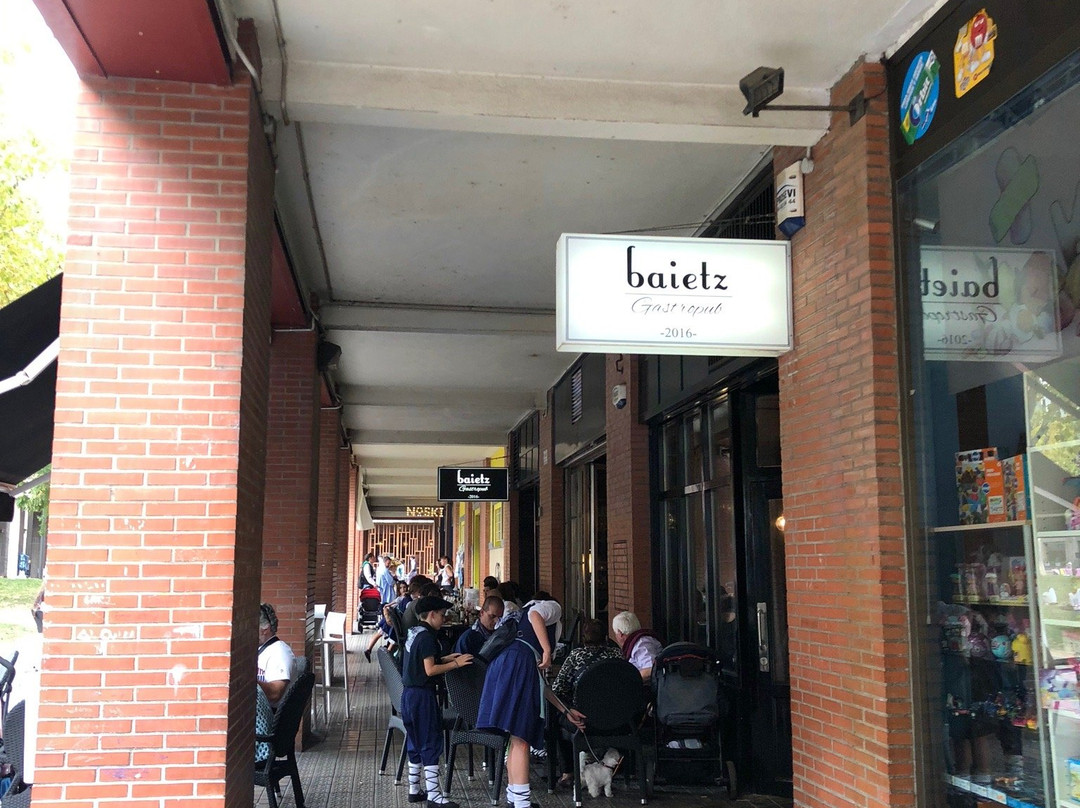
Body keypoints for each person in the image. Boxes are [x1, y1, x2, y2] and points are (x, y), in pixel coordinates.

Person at [476, 597, 584, 808]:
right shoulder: (553, 607)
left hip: (504, 667)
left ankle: (515, 797)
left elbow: (542, 686)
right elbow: (536, 614)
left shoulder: (520, 623)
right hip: (518, 666)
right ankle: (522, 803)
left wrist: (566, 711)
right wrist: (547, 650)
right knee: (522, 737)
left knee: (514, 738)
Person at [401, 595, 473, 808]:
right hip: (422, 696)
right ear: (431, 615)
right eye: (442, 615)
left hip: (408, 695)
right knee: (430, 741)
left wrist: (447, 658)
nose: (444, 619)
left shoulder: (415, 632)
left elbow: (423, 661)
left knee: (415, 741)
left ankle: (414, 789)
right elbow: (430, 669)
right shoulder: (427, 638)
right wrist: (456, 664)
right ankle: (434, 796)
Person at [551, 618, 622, 786]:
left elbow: (557, 690)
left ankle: (567, 772)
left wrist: (568, 708)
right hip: (617, 721)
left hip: (584, 721)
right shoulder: (618, 655)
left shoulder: (576, 656)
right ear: (606, 638)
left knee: (555, 715)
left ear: (583, 638)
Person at [257, 603, 295, 708]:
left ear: (265, 629)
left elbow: (275, 694)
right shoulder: (263, 648)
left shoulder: (279, 652)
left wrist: (247, 680)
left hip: (268, 714)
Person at [364, 579, 411, 662]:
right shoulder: (402, 599)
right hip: (393, 621)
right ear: (398, 590)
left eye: (404, 587)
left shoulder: (402, 598)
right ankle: (384, 656)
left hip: (390, 619)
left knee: (381, 634)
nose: (403, 589)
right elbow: (389, 605)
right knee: (392, 638)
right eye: (401, 588)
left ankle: (369, 649)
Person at [612, 611, 662, 681]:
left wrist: (629, 680)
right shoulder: (636, 641)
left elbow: (651, 669)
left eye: (615, 633)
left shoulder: (642, 644)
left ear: (620, 634)